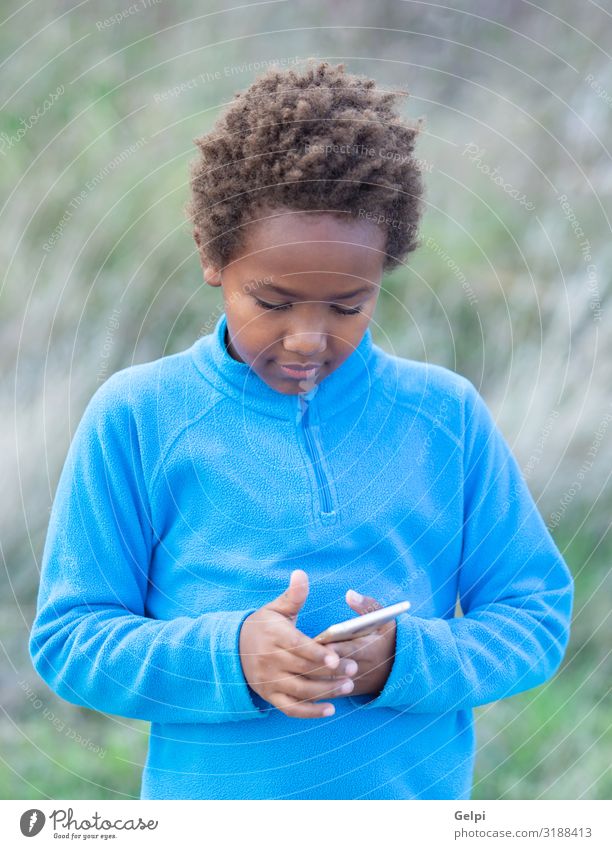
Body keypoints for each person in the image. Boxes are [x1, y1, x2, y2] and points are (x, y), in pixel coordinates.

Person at [30, 59, 574, 800]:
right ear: (211, 255)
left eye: (348, 306)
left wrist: (404, 661)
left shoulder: (445, 418)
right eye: (275, 302)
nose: (307, 338)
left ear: (386, 269)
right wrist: (235, 654)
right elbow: (72, 638)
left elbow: (533, 615)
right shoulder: (137, 418)